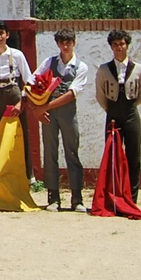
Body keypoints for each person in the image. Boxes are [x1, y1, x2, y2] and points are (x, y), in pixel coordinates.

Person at [31, 28, 92, 212]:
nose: (65, 46)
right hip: (49, 114)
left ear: (74, 43)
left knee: (72, 153)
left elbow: (72, 94)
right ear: (58, 44)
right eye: (62, 43)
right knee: (50, 154)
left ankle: (76, 197)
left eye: (69, 42)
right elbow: (32, 81)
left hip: (67, 113)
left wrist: (44, 107)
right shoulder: (49, 62)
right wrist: (36, 107)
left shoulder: (81, 66)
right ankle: (53, 197)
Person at [96, 28, 141, 202]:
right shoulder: (104, 69)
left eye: (122, 44)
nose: (119, 47)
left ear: (127, 45)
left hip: (131, 112)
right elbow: (100, 95)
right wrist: (111, 110)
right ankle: (114, 195)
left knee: (134, 155)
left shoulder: (139, 68)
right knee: (112, 156)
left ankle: (132, 198)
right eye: (115, 44)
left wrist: (128, 106)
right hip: (112, 113)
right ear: (111, 47)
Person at [0, 21, 32, 165]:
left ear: (7, 35)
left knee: (18, 136)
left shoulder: (17, 55)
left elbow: (29, 80)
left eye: (1, 33)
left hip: (15, 96)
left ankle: (24, 175)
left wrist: (22, 103)